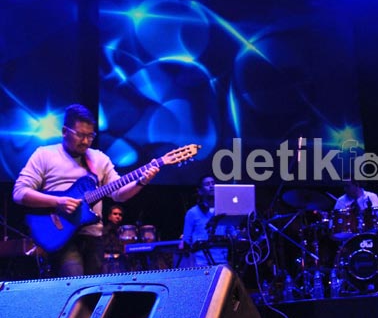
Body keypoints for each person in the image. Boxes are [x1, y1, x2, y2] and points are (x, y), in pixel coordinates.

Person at [12, 104, 160, 276]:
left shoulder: (99, 159)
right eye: (80, 135)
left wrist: (141, 182)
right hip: (61, 234)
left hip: (93, 235)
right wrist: (57, 201)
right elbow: (19, 193)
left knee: (92, 288)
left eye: (90, 136)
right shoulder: (44, 155)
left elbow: (119, 194)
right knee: (74, 279)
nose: (85, 141)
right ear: (64, 131)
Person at [181, 175, 232, 267]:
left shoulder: (224, 211)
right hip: (201, 263)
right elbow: (186, 240)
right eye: (207, 184)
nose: (211, 186)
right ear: (200, 191)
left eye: (213, 183)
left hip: (223, 261)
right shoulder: (192, 213)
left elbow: (232, 234)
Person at [102, 203, 127, 273]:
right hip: (107, 263)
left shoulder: (123, 232)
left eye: (120, 215)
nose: (118, 216)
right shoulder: (104, 231)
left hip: (122, 261)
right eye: (115, 214)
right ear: (109, 217)